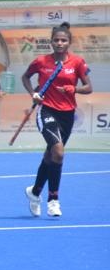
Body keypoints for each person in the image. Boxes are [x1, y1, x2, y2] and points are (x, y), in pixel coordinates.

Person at [21, 22, 93, 218]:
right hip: (46, 111)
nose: (60, 43)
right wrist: (33, 94)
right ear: (51, 42)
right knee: (59, 152)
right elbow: (25, 77)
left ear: (69, 42)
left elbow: (89, 87)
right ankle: (53, 200)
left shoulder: (77, 62)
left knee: (51, 156)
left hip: (67, 115)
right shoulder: (41, 61)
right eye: (56, 40)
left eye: (63, 40)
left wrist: (73, 89)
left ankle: (35, 192)